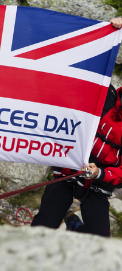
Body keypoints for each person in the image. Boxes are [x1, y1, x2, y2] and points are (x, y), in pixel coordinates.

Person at [31, 17, 122, 237]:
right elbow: (81, 70)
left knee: (99, 241)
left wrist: (100, 173)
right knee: (44, 226)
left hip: (99, 182)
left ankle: (75, 226)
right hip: (69, 169)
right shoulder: (105, 96)